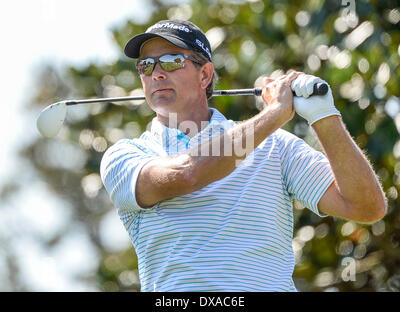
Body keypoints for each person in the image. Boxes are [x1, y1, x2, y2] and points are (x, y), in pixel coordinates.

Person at [100, 19, 386, 292]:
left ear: (205, 75)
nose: (157, 73)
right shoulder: (125, 156)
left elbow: (365, 207)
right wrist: (275, 114)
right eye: (146, 66)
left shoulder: (275, 146)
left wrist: (323, 115)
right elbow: (188, 174)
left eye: (172, 61)